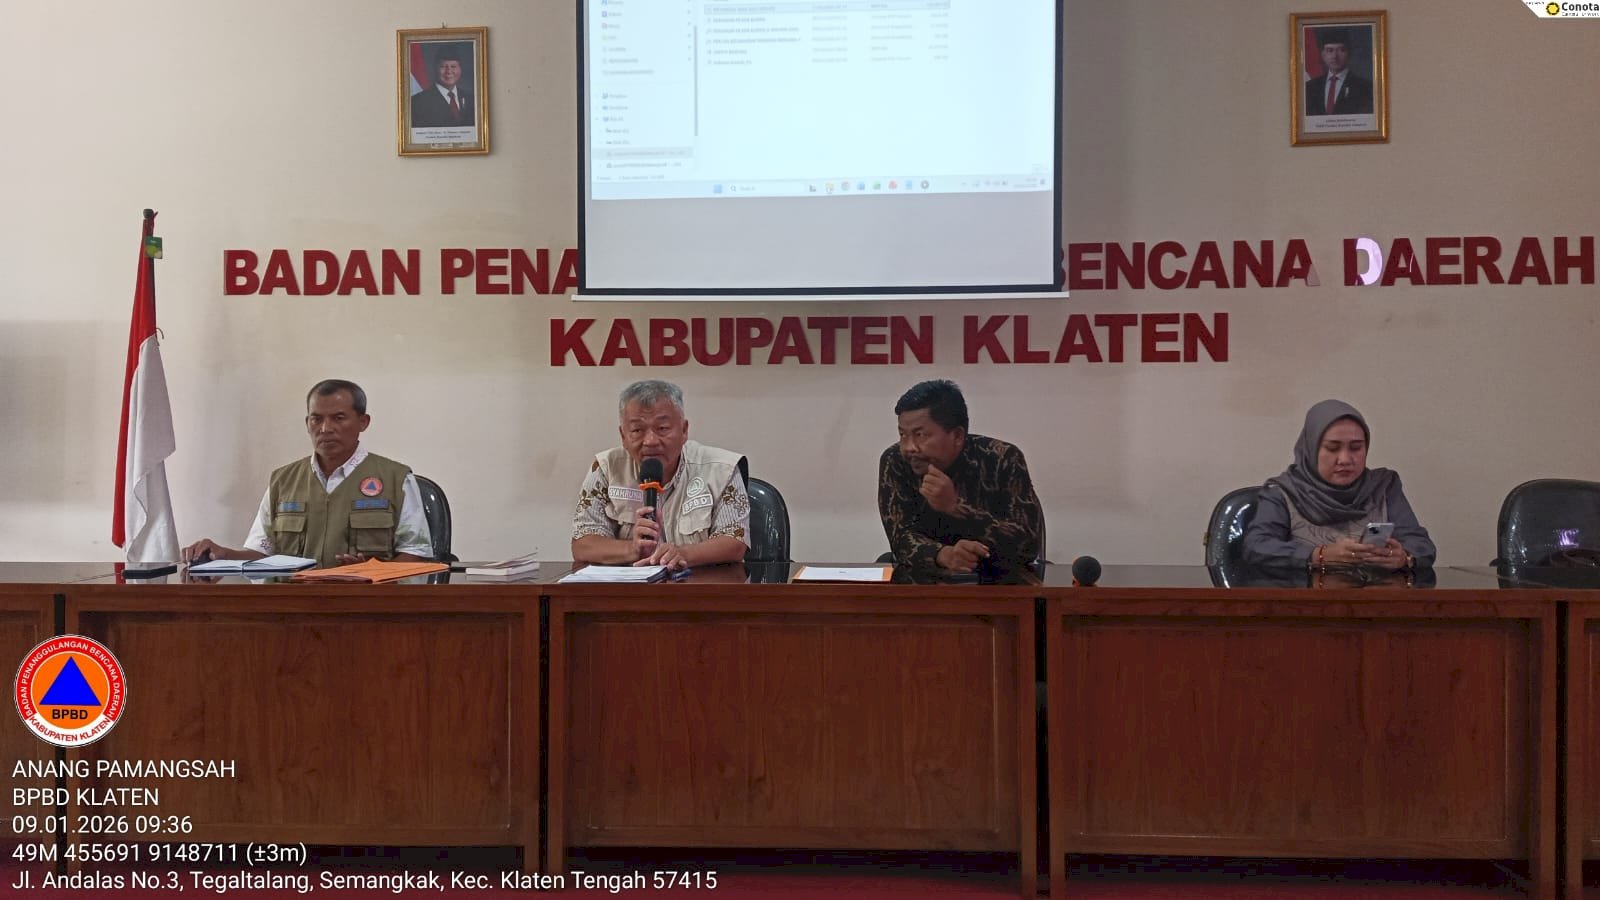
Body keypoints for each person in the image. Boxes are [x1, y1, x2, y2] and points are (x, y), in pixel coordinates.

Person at [181, 380, 433, 568]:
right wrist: (222, 555)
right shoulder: (283, 481)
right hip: (292, 608)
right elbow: (262, 553)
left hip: (366, 609)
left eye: (339, 418)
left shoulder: (395, 479)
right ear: (307, 423)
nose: (325, 428)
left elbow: (416, 554)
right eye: (316, 419)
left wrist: (372, 573)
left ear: (363, 422)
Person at [571, 380, 751, 570]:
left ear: (684, 430)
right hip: (629, 586)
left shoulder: (722, 469)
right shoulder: (605, 468)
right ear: (623, 436)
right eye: (637, 430)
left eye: (662, 428)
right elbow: (583, 544)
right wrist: (631, 549)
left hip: (700, 585)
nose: (650, 441)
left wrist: (683, 554)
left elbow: (735, 542)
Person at [878, 380, 1043, 584]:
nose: (909, 447)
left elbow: (1028, 545)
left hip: (999, 583)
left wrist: (956, 507)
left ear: (957, 435)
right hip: (922, 584)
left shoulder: (1002, 459)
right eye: (903, 435)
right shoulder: (896, 461)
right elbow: (900, 537)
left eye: (920, 435)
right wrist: (944, 555)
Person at [1242, 399, 1435, 570]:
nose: (1345, 459)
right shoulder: (1284, 492)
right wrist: (1319, 555)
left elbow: (1421, 544)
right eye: (1332, 448)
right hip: (1306, 597)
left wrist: (1404, 557)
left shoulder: (1382, 486)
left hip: (1374, 594)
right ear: (1311, 449)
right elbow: (1256, 546)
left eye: (1356, 448)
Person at [1304, 28, 1374, 116]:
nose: (1335, 56)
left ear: (1349, 53)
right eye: (1330, 50)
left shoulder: (1365, 87)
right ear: (1322, 55)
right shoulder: (1309, 87)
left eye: (1341, 50)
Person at [410, 45, 474, 128]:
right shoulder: (417, 103)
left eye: (453, 66)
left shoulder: (471, 99)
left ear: (460, 69)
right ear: (435, 68)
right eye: (443, 66)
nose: (449, 71)